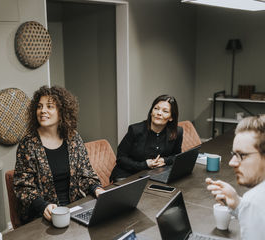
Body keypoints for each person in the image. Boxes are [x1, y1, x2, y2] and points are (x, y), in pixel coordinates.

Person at [13, 86, 104, 223]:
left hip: (75, 209)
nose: (43, 111)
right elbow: (23, 186)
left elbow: (86, 173)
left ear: (62, 112)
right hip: (44, 214)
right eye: (39, 107)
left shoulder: (73, 138)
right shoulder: (28, 144)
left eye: (49, 106)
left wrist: (96, 189)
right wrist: (43, 206)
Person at [206, 115, 265, 240]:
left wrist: (247, 205)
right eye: (234, 154)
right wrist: (238, 205)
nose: (232, 162)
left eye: (242, 155)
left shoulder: (255, 201)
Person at [110, 95, 183, 181]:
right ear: (151, 112)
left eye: (165, 111)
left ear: (171, 117)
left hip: (155, 174)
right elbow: (121, 158)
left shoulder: (176, 132)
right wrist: (144, 165)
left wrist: (164, 160)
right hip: (128, 174)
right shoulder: (135, 130)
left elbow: (177, 156)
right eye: (156, 108)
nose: (159, 113)